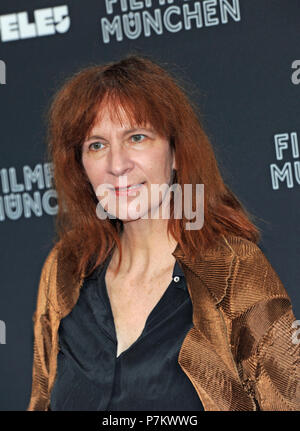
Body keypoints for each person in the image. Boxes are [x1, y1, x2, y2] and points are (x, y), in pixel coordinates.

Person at [27, 53, 299, 411]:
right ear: (80, 166)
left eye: (137, 137)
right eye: (97, 145)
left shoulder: (233, 269)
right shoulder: (66, 269)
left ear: (175, 153)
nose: (117, 165)